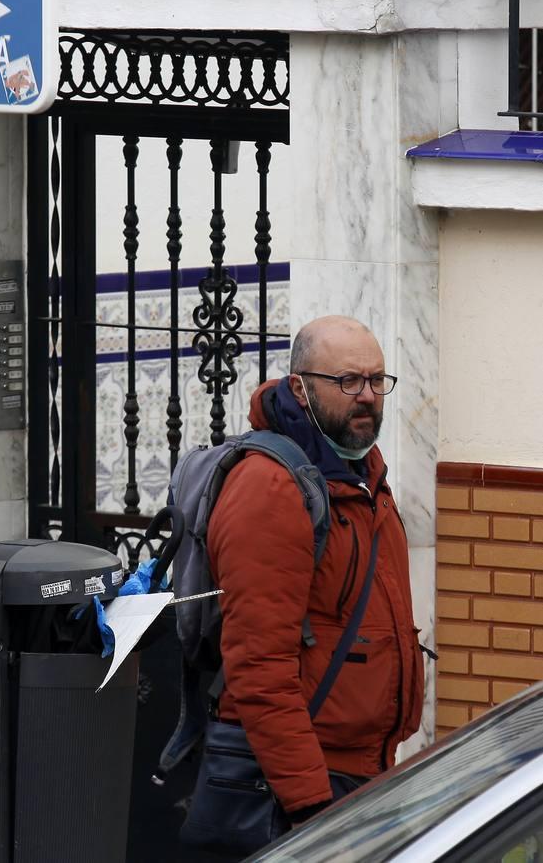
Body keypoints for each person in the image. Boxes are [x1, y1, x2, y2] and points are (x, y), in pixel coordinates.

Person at [207, 316, 424, 834]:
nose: (368, 396)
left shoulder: (363, 471)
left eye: (377, 380)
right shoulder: (270, 488)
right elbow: (259, 666)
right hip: (305, 784)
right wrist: (308, 805)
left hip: (363, 767)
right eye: (348, 381)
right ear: (301, 388)